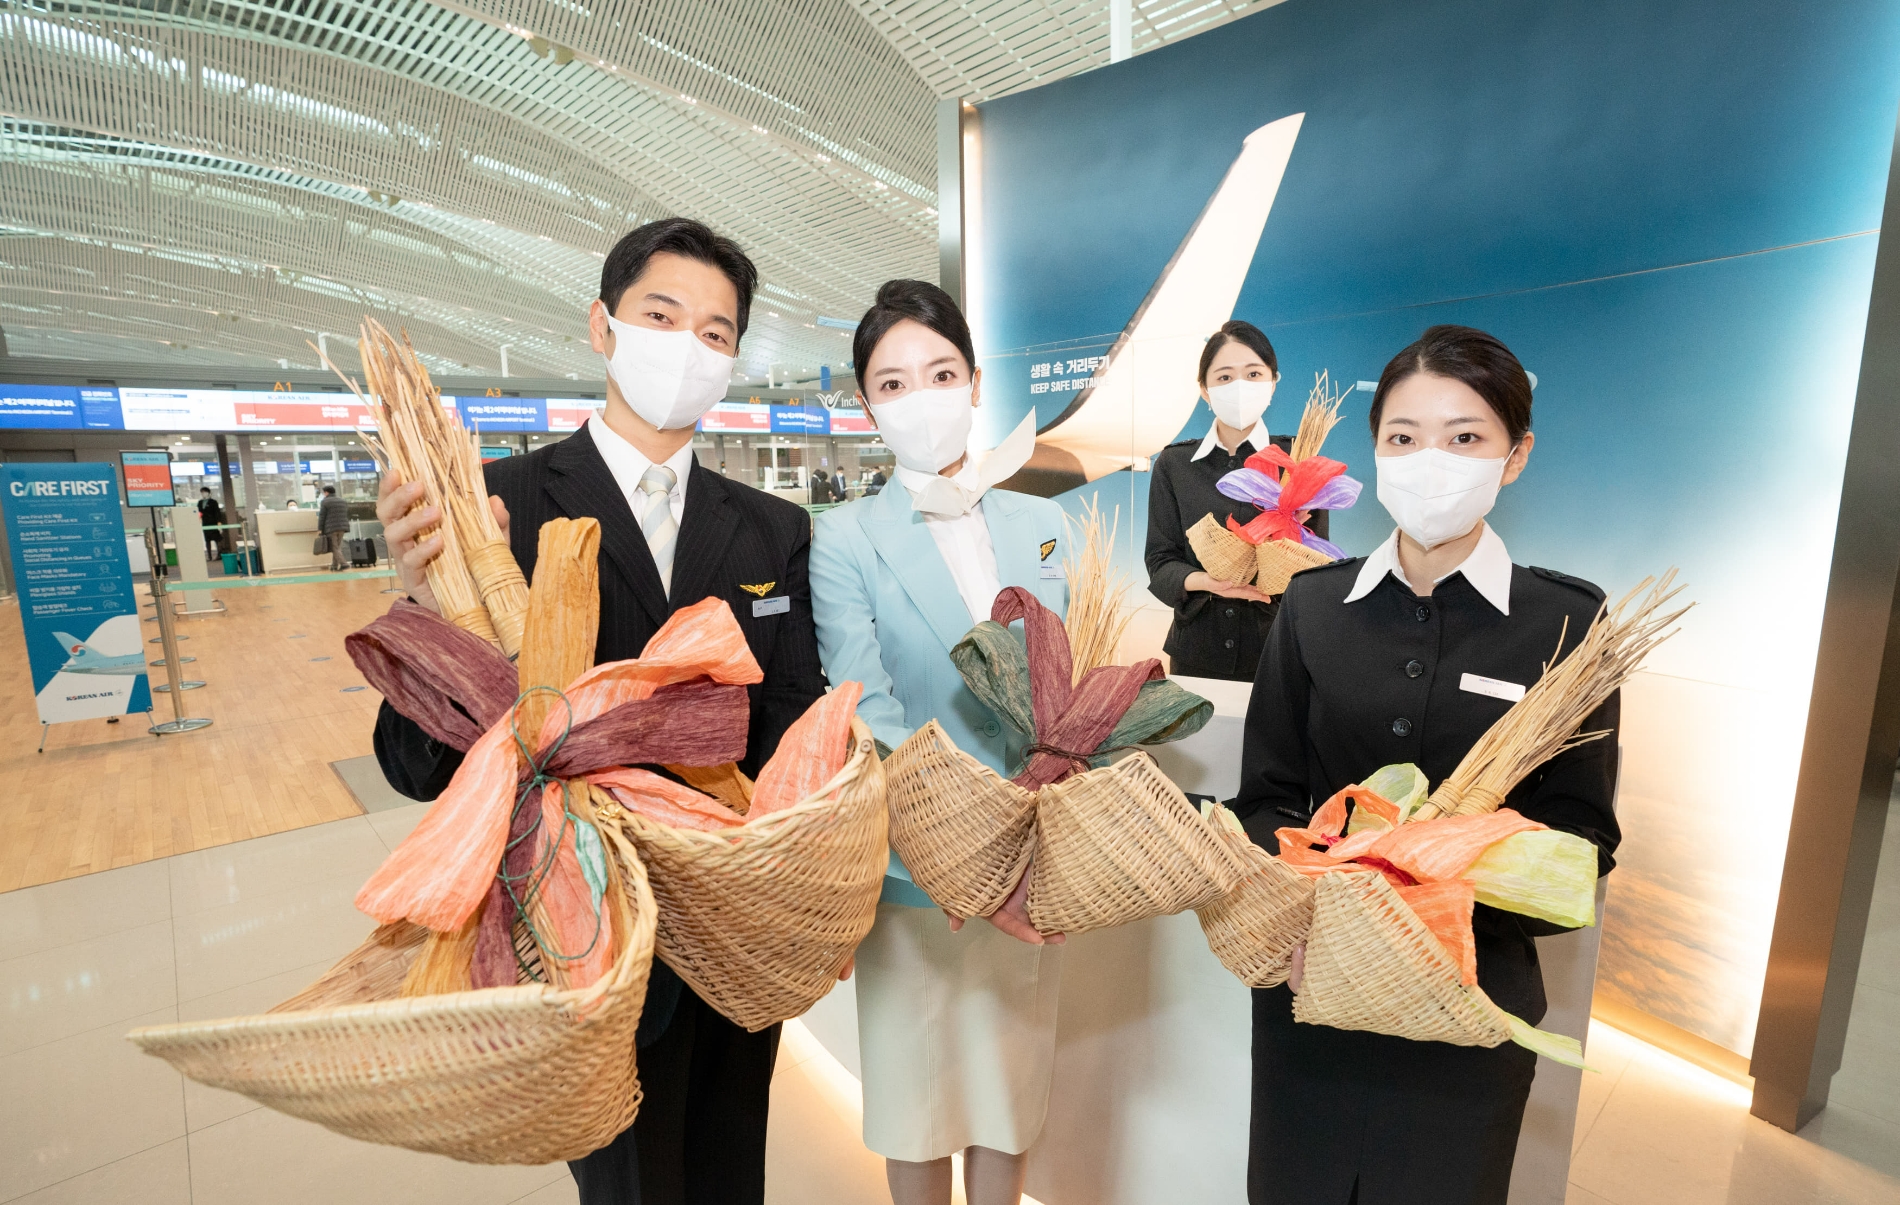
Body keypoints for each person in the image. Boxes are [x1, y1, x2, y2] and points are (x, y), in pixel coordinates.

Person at [372, 217, 828, 1205]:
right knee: (626, 1179)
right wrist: (423, 603)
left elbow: (793, 717)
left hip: (734, 928)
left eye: (716, 333)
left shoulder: (774, 529)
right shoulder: (496, 506)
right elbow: (415, 764)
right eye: (662, 316)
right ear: (602, 325)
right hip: (583, 931)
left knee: (727, 1162)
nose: (689, 347)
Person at [1231, 325, 1621, 1205]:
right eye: (1403, 437)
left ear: (1514, 456)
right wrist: (1304, 910)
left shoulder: (1566, 626)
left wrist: (1444, 888)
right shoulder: (1313, 607)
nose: (1429, 459)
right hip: (1312, 997)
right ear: (1375, 451)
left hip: (1471, 1010)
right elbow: (1266, 798)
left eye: (1466, 437)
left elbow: (1586, 841)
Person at [809, 279, 1067, 1205]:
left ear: (975, 379)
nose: (921, 397)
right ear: (869, 404)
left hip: (1030, 871)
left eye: (941, 371)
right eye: (893, 382)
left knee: (1009, 1096)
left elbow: (1070, 692)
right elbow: (866, 712)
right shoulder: (843, 538)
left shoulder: (1046, 527)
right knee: (917, 1106)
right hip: (916, 878)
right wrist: (964, 861)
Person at [1144, 320, 1326, 681]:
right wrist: (1205, 581)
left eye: (1254, 374)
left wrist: (1292, 546)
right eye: (1224, 377)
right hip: (1196, 653)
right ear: (1204, 390)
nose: (1239, 387)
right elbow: (1160, 561)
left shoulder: (1301, 458)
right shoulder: (1174, 465)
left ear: (1273, 383)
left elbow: (1315, 571)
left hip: (1276, 655)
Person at [317, 485, 350, 571]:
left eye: (324, 492)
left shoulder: (325, 501)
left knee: (334, 547)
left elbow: (322, 516)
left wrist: (320, 528)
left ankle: (344, 563)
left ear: (326, 492)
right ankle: (334, 566)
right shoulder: (342, 501)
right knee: (337, 547)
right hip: (342, 527)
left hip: (331, 528)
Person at [197, 487, 226, 560]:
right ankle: (209, 556)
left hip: (213, 522)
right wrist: (199, 518)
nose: (203, 494)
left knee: (217, 539)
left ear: (209, 493)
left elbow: (217, 512)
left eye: (204, 492)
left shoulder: (213, 502)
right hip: (205, 523)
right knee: (207, 540)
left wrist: (219, 521)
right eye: (202, 492)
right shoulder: (200, 502)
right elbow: (199, 512)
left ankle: (219, 554)